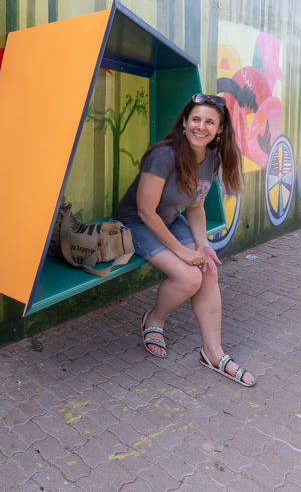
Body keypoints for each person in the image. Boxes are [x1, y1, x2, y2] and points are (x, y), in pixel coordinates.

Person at [112, 93, 254, 387]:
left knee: (207, 269)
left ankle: (213, 353)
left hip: (168, 219)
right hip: (136, 222)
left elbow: (195, 205)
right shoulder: (163, 155)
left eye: (209, 122)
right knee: (189, 278)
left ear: (220, 130)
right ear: (185, 123)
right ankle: (153, 319)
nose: (201, 127)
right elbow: (145, 210)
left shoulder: (212, 158)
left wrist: (201, 244)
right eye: (196, 120)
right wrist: (179, 250)